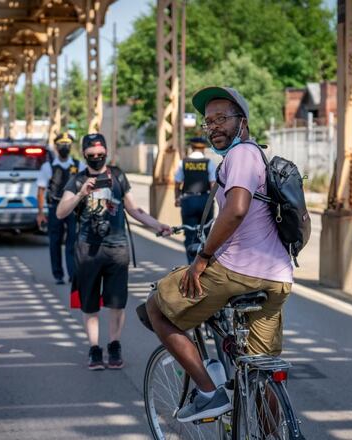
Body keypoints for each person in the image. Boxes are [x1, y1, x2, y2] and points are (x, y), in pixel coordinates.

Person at [145, 87, 294, 422]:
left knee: (157, 307)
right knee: (258, 371)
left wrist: (202, 258)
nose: (213, 127)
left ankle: (209, 394)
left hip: (241, 270)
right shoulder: (257, 155)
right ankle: (272, 432)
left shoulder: (241, 155)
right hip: (278, 277)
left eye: (221, 118)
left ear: (242, 121)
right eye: (208, 122)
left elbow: (237, 209)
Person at [56, 133, 171, 370]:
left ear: (106, 152)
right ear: (84, 154)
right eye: (91, 155)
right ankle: (94, 348)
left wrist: (157, 225)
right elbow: (60, 213)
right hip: (88, 250)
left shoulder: (117, 175)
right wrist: (81, 194)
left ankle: (114, 345)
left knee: (117, 303)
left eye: (101, 154)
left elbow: (133, 209)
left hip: (117, 249)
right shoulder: (77, 180)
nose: (96, 158)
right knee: (90, 304)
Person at [37, 132, 85, 285]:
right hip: (54, 207)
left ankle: (73, 274)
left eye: (67, 145)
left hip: (73, 208)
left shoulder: (79, 166)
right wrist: (40, 213)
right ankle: (58, 274)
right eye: (61, 145)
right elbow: (41, 191)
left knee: (73, 241)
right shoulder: (48, 167)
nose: (64, 148)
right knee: (55, 242)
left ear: (71, 147)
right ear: (56, 147)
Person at [174, 137, 217, 263]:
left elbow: (177, 183)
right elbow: (213, 185)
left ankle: (191, 264)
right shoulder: (209, 162)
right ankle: (203, 264)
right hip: (205, 201)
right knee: (205, 234)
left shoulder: (183, 162)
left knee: (190, 233)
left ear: (191, 147)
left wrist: (177, 199)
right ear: (203, 148)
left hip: (188, 201)